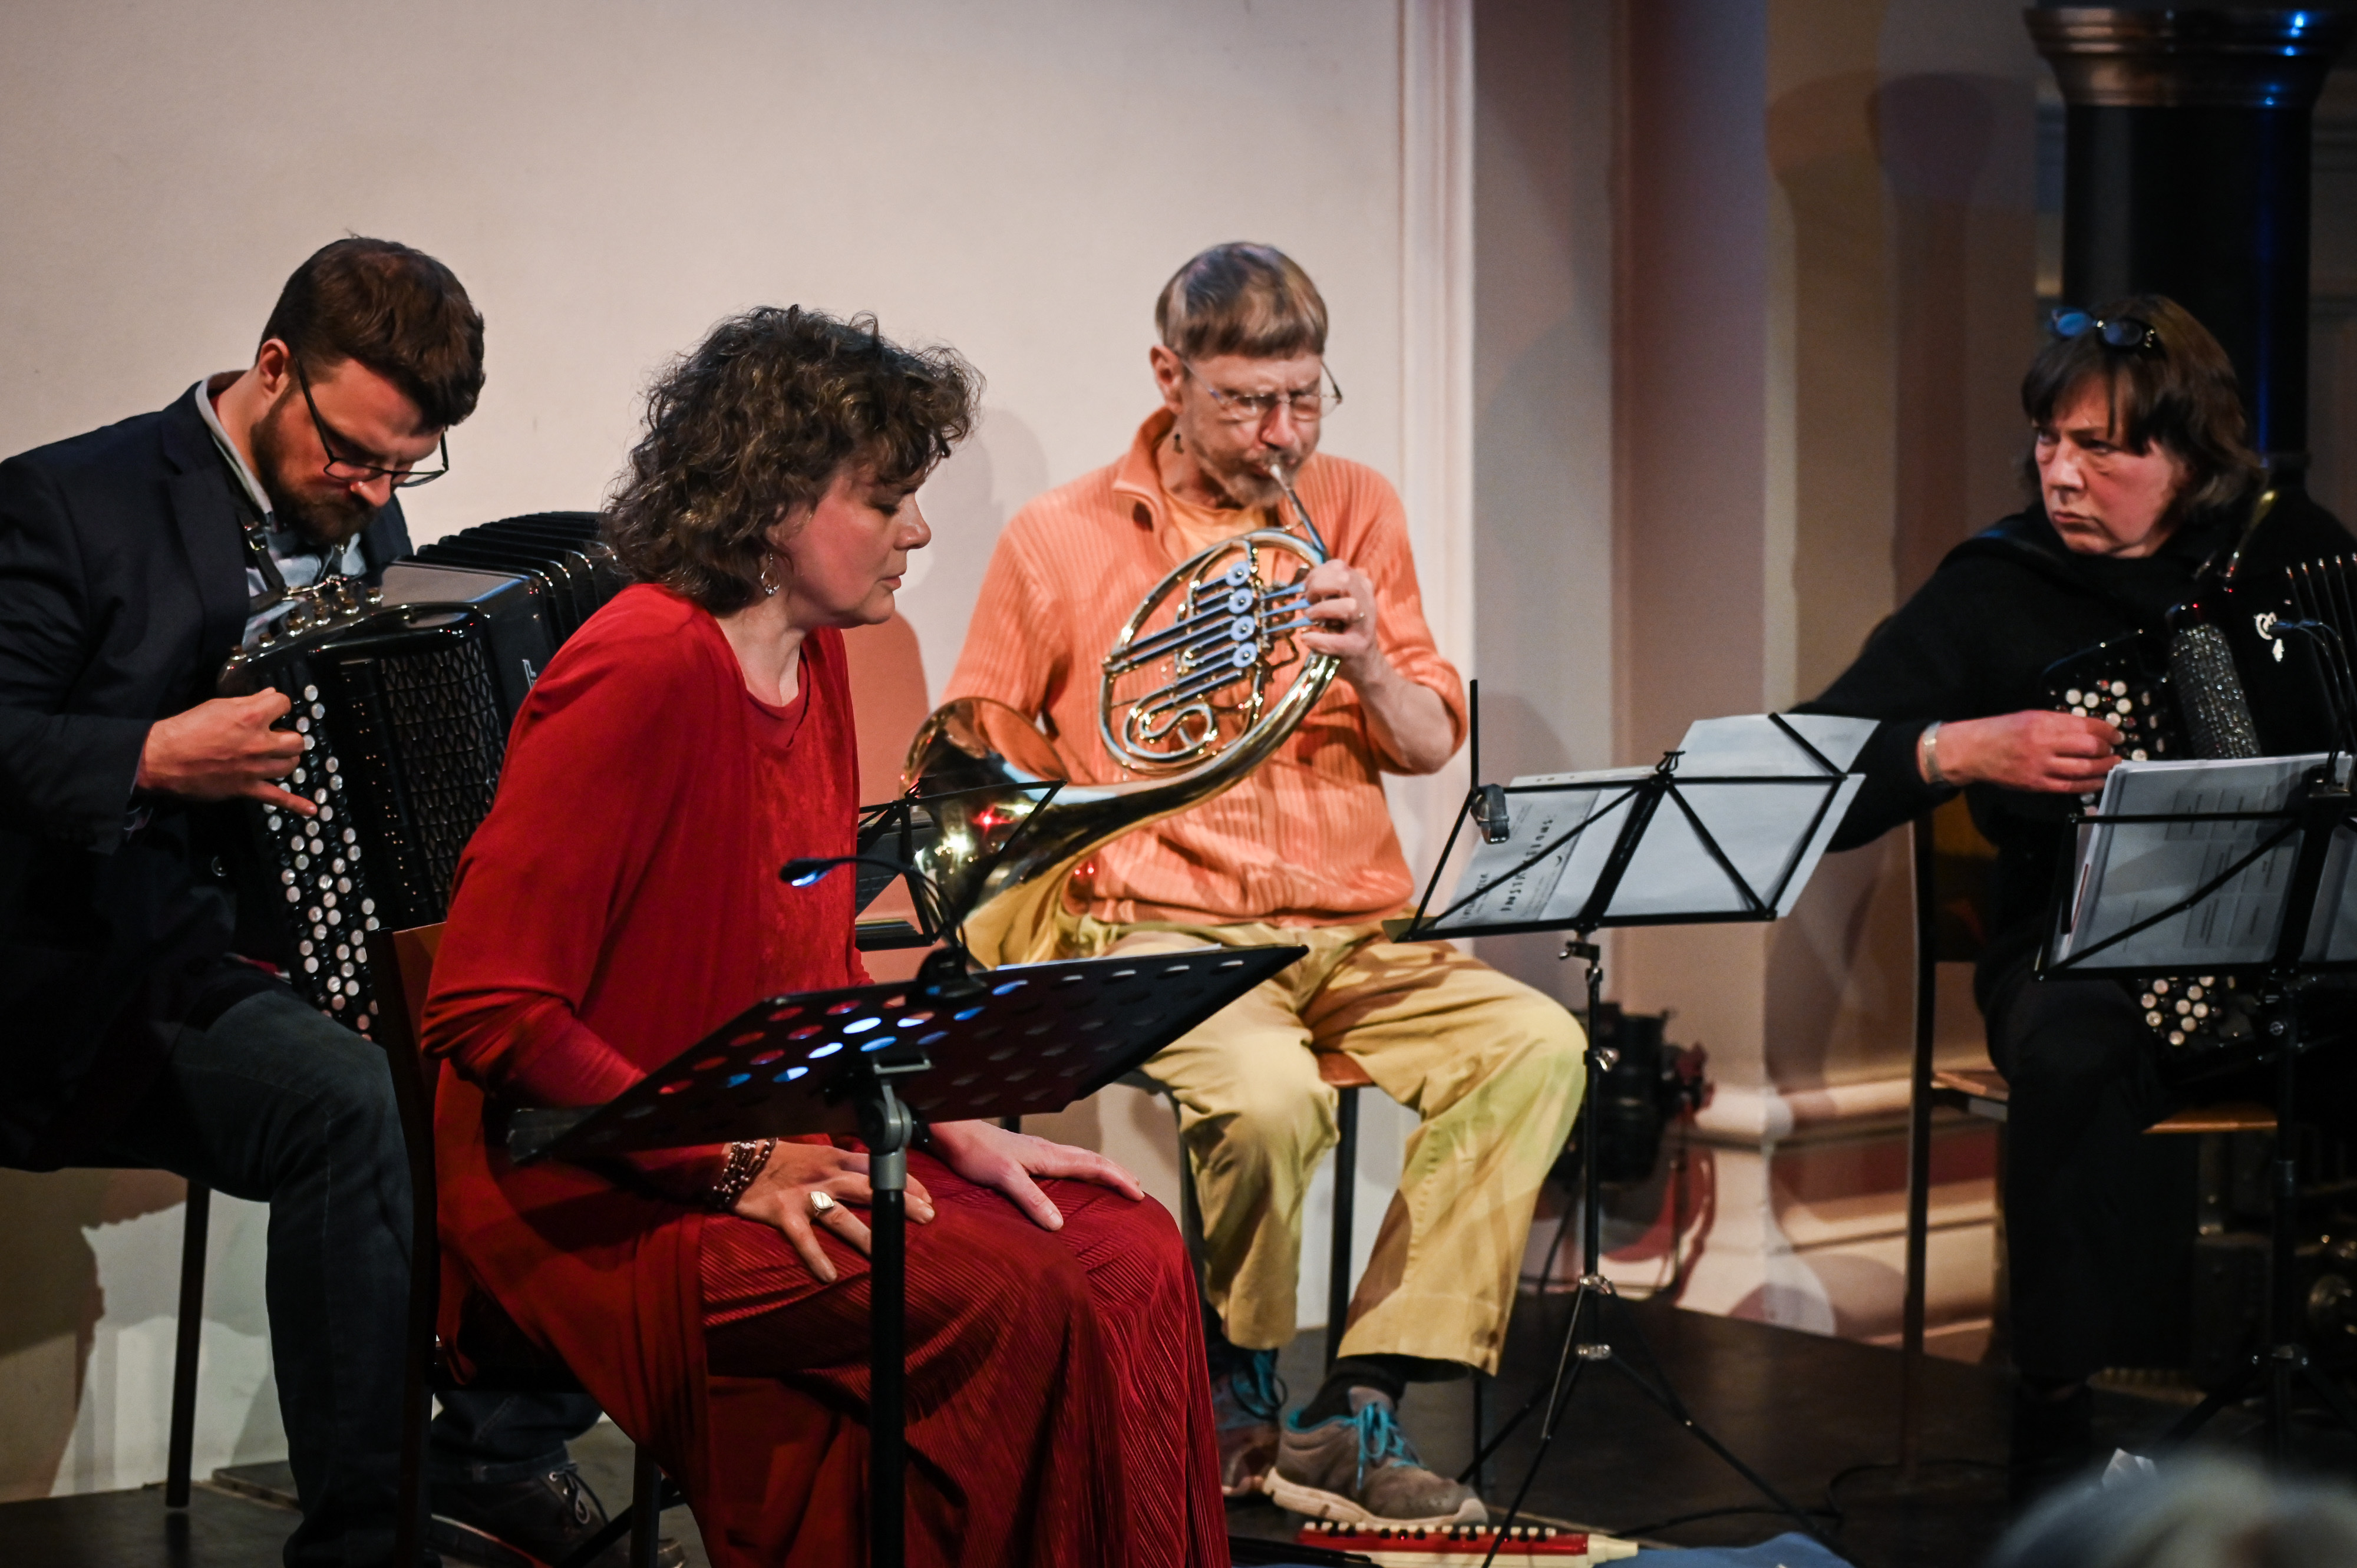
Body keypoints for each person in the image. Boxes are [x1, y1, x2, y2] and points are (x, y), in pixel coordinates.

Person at [421, 305, 1227, 1568]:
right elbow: (488, 1006)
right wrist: (730, 1162)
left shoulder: (821, 657)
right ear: (773, 499)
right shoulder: (639, 667)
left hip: (768, 1129)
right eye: (887, 499)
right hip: (597, 1185)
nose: (918, 531)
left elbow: (809, 958)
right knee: (1019, 1294)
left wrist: (938, 1111)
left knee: (1132, 1251)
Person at [0, 236, 666, 1568]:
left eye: (402, 471)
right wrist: (150, 755)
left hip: (275, 954)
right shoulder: (66, 503)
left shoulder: (364, 517)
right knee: (349, 1105)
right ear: (272, 367)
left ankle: (494, 1451)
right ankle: (368, 1544)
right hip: (91, 976)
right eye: (353, 456)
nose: (371, 494)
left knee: (559, 1052)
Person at [942, 243, 1586, 1527]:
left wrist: (1369, 663)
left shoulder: (1353, 505)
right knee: (1269, 1094)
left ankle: (1361, 1397)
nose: (1281, 434)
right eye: (1245, 402)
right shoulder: (1058, 535)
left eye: (1303, 397)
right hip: (1167, 924)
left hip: (1353, 924)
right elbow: (983, 747)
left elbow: (1426, 739)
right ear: (1168, 376)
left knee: (1536, 1044)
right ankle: (1241, 1386)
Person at [1796, 295, 2353, 1501]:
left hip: (2301, 961)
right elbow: (1807, 772)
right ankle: (2053, 1426)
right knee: (2066, 1052)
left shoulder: (2287, 552)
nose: (2060, 472)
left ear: (2189, 455)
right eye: (2049, 440)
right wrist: (1955, 747)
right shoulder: (1996, 586)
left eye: (2101, 447)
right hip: (2082, 952)